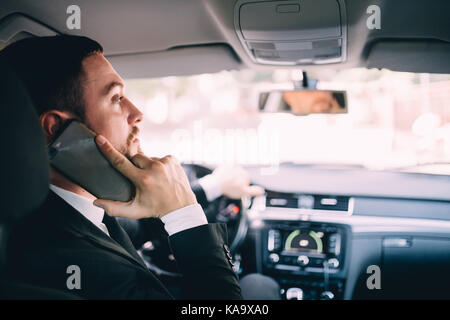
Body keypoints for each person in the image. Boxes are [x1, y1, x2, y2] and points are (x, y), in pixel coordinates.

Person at [1, 35, 264, 299]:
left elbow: (137, 227)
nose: (137, 112)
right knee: (260, 286)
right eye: (116, 98)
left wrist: (211, 186)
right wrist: (184, 213)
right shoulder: (89, 274)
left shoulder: (54, 211)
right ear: (56, 128)